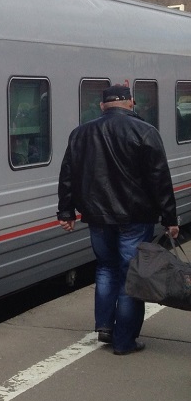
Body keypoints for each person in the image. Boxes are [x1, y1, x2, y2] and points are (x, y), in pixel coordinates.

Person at [57, 83, 180, 355]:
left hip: (98, 217)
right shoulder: (145, 131)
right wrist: (170, 218)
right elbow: (160, 179)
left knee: (105, 268)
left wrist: (66, 212)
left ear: (102, 106)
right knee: (130, 275)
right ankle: (124, 341)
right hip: (136, 218)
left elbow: (68, 175)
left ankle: (105, 326)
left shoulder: (80, 133)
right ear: (130, 102)